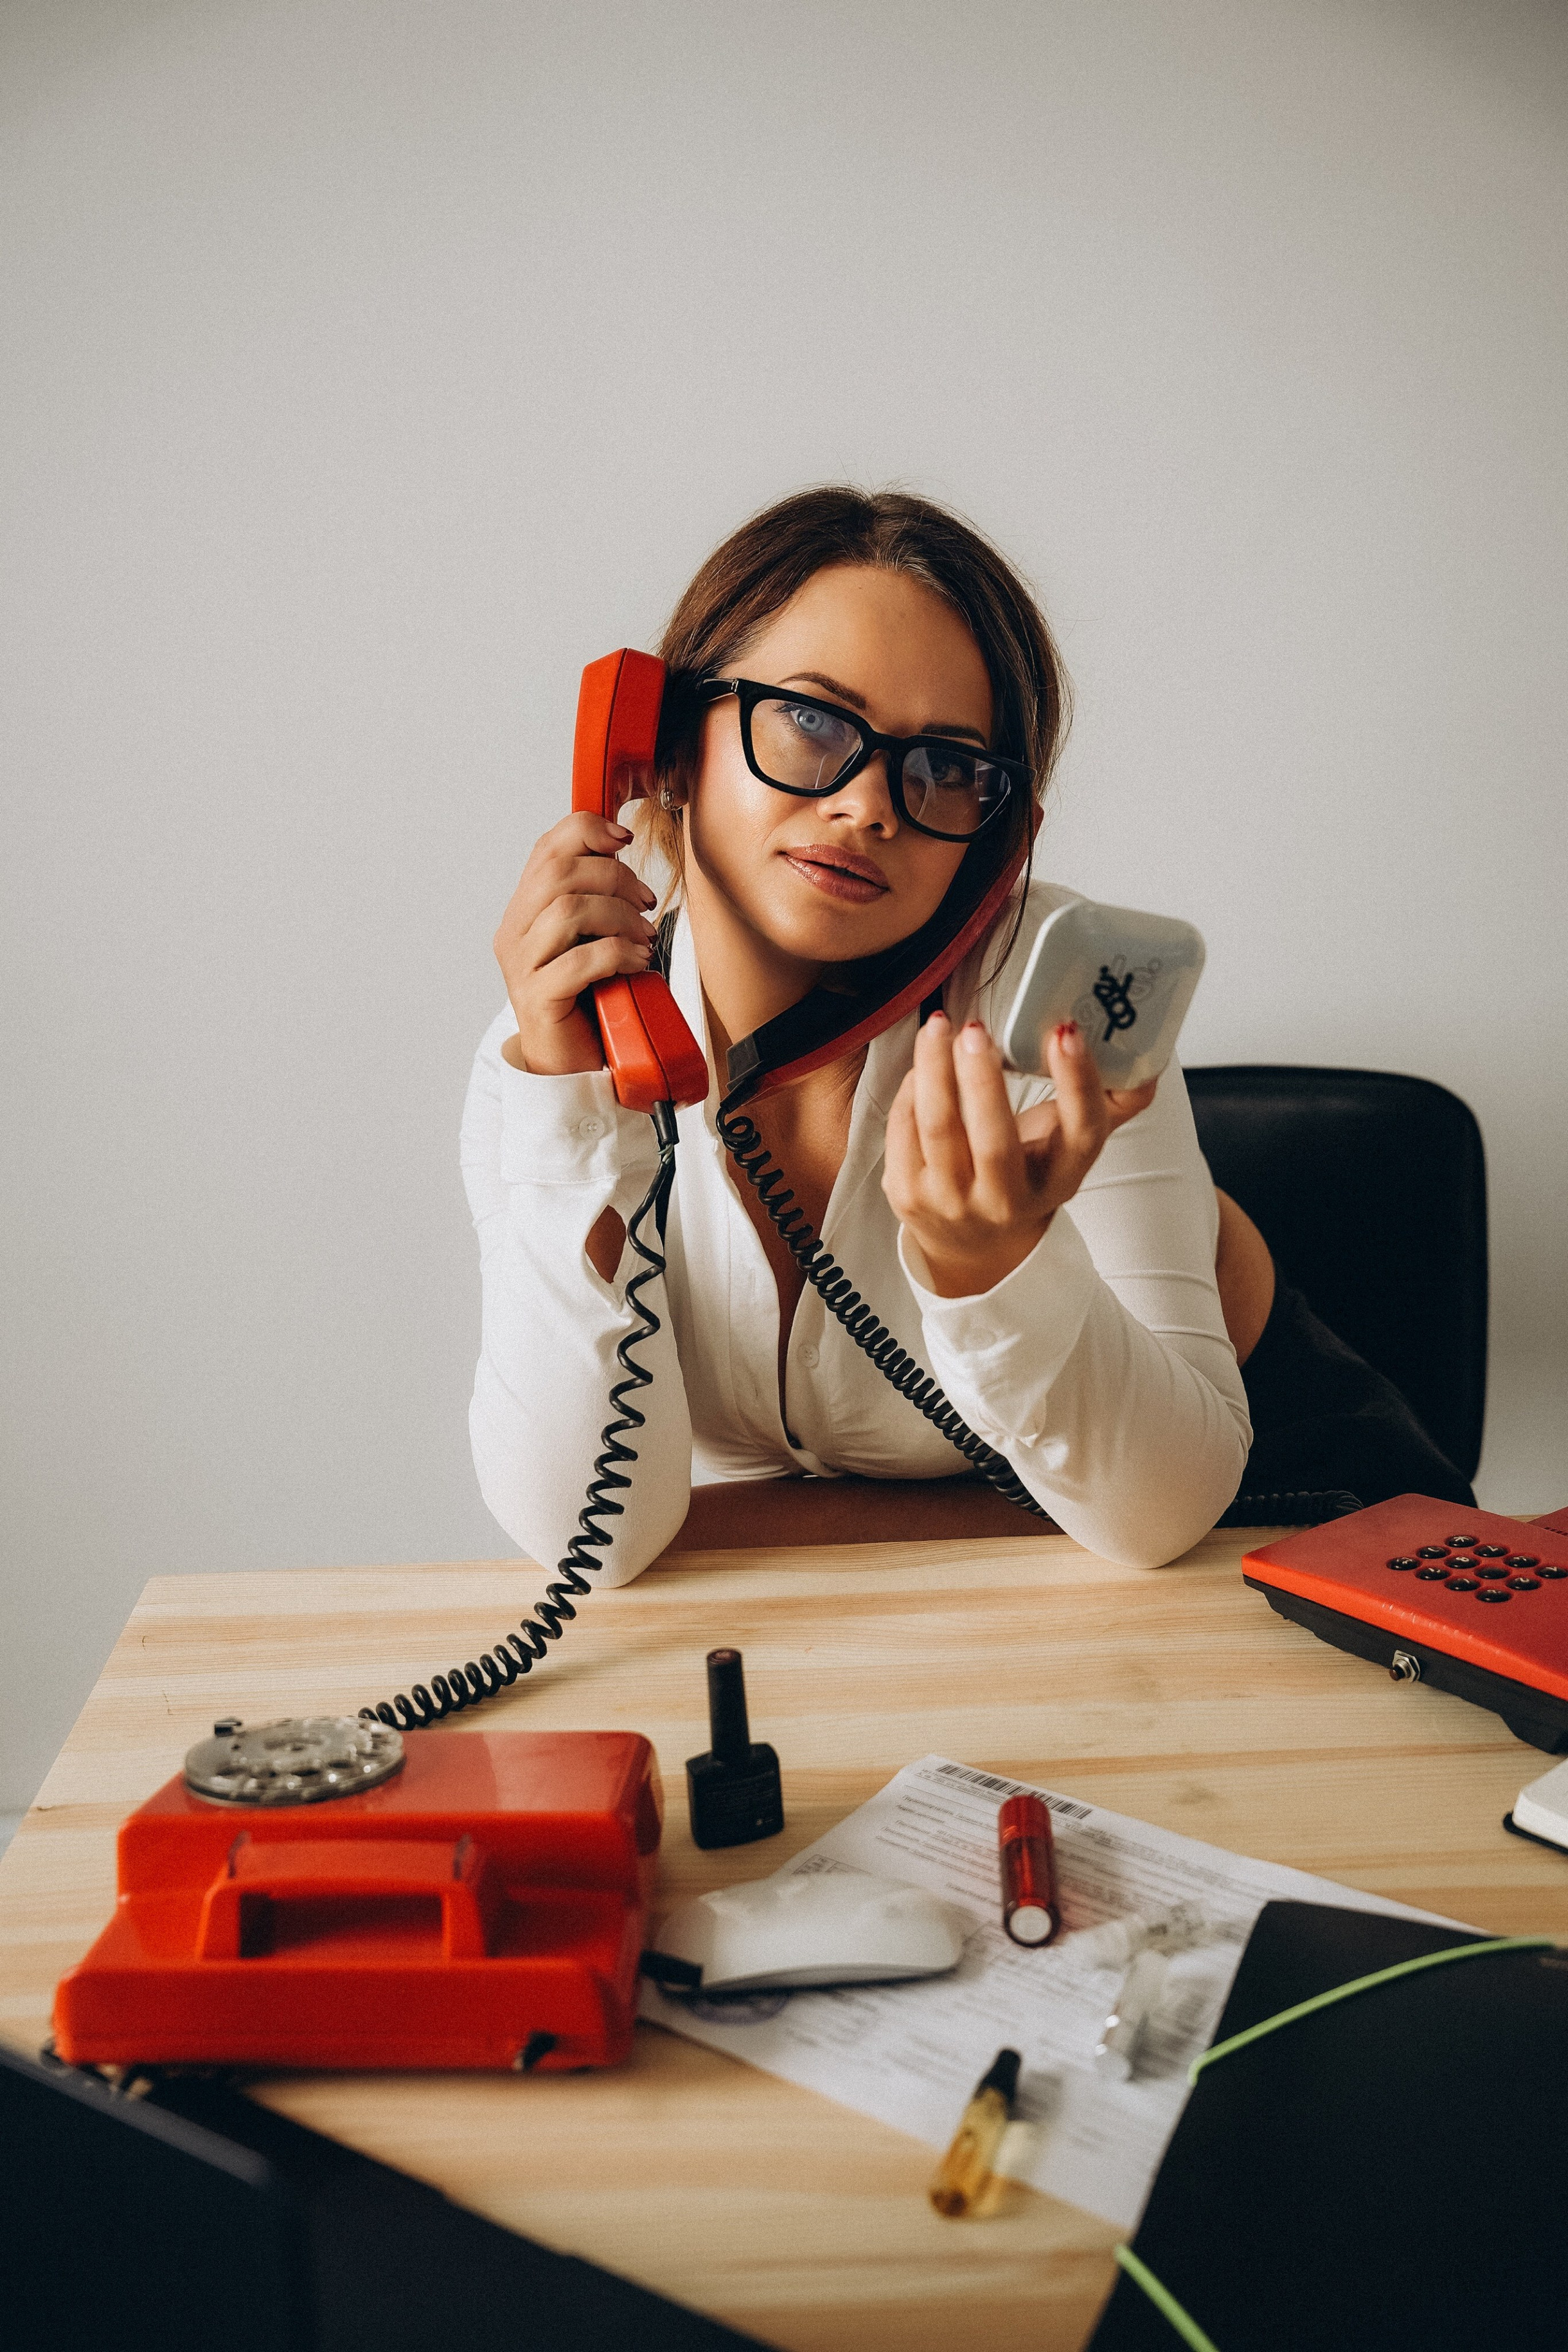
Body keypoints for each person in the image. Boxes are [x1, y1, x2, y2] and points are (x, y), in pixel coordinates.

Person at [461, 488, 1462, 1590]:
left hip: (1285, 1515)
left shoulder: (1064, 1010)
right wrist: (571, 1121)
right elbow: (590, 1544)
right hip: (964, 1598)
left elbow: (1160, 1515)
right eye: (812, 719)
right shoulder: (558, 1046)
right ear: (662, 745)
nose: (871, 806)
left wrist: (998, 1269)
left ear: (992, 836)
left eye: (945, 764)